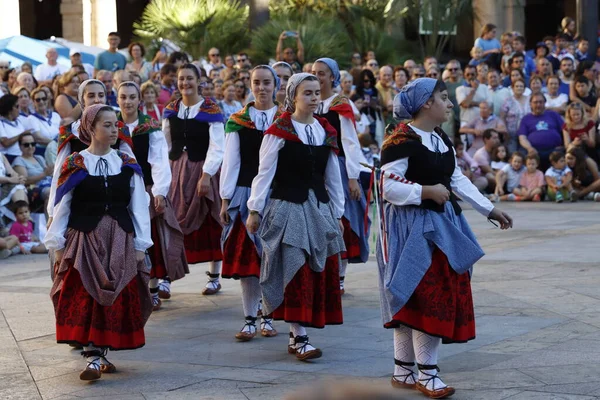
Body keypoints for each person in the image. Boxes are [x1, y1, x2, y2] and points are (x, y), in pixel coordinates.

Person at [378, 78, 512, 398]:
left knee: (426, 291)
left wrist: (489, 209)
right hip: (412, 227)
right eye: (443, 97)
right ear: (426, 103)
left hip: (442, 225)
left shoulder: (440, 139)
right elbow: (387, 186)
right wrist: (424, 191)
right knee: (421, 292)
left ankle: (405, 369)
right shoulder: (400, 140)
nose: (450, 103)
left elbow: (457, 180)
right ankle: (424, 373)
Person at [44, 104, 152, 381]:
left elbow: (139, 205)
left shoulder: (126, 163)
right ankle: (93, 355)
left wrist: (140, 244)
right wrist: (56, 242)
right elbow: (62, 205)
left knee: (115, 293)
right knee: (85, 294)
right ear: (90, 128)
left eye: (115, 124)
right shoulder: (75, 163)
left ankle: (100, 352)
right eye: (106, 125)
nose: (114, 129)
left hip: (120, 238)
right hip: (84, 238)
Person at [246, 73, 345, 361]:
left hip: (318, 207)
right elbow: (264, 173)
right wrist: (254, 208)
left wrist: (336, 213)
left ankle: (298, 333)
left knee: (314, 271)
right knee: (295, 268)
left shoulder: (325, 129)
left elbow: (332, 175)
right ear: (293, 97)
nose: (314, 98)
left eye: (317, 93)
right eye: (307, 93)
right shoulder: (279, 131)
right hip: (288, 207)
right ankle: (299, 335)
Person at [220, 65, 282, 341]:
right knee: (248, 262)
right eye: (257, 82)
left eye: (267, 82)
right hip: (245, 194)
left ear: (276, 86)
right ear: (250, 85)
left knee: (273, 259)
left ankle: (267, 316)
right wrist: (225, 198)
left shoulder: (286, 120)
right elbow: (230, 161)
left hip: (278, 195)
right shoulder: (237, 120)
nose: (262, 88)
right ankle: (248, 318)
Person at [117, 81, 188, 310]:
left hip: (146, 187)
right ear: (117, 100)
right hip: (120, 191)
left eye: (132, 97)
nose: (127, 101)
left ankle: (154, 288)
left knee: (151, 240)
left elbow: (159, 160)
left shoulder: (150, 126)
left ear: (139, 100)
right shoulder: (112, 125)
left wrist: (159, 191)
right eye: (123, 97)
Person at [163, 64, 225, 295]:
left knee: (210, 221)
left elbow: (218, 146)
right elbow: (166, 143)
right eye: (181, 79)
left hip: (203, 169)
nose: (185, 83)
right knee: (173, 222)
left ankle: (213, 276)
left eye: (190, 78)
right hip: (177, 169)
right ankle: (167, 276)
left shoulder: (210, 109)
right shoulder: (171, 109)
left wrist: (207, 175)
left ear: (199, 81)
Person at [312, 58, 370, 294]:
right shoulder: (308, 101)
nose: (317, 76)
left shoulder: (340, 104)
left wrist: (353, 177)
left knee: (342, 220)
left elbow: (350, 141)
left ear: (333, 76)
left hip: (339, 166)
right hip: (315, 167)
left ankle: (340, 275)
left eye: (322, 73)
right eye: (314, 72)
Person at [46, 79, 134, 223]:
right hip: (82, 204)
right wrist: (52, 212)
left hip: (115, 201)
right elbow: (59, 174)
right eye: (91, 95)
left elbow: (131, 167)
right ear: (82, 101)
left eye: (101, 95)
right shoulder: (70, 132)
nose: (97, 99)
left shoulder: (119, 129)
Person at [518, 93, 565, 171]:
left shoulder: (553, 115)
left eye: (541, 102)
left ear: (544, 103)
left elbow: (565, 130)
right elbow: (522, 138)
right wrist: (530, 148)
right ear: (530, 104)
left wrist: (564, 145)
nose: (538, 104)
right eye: (535, 102)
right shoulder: (526, 119)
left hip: (555, 149)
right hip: (535, 151)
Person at [11, 133, 53, 208]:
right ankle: (51, 219)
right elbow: (25, 181)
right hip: (32, 190)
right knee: (50, 192)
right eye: (26, 145)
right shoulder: (19, 160)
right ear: (20, 146)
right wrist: (44, 174)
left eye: (33, 144)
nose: (30, 147)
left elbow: (48, 173)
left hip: (47, 184)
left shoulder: (39, 158)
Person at [0, 94, 35, 163]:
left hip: (24, 156)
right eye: (17, 106)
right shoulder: (1, 123)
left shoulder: (18, 121)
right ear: (9, 109)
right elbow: (5, 143)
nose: (19, 109)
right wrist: (22, 135)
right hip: (9, 158)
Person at [500, 78, 530, 153]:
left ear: (524, 88)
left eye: (521, 86)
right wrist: (505, 131)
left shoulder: (530, 100)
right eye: (517, 86)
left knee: (524, 154)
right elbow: (502, 116)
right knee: (512, 154)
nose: (519, 88)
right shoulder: (508, 101)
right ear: (513, 88)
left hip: (527, 134)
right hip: (511, 134)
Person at [0, 152, 26, 222]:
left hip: (3, 186)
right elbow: (10, 179)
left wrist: (19, 178)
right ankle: (24, 220)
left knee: (19, 187)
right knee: (16, 187)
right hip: (3, 185)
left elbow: (12, 172)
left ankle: (24, 219)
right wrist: (9, 179)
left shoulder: (1, 155)